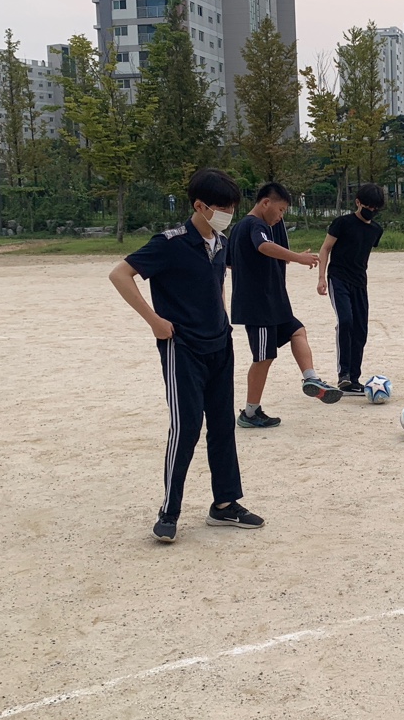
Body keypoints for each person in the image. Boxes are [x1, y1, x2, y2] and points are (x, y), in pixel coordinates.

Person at [108, 168, 264, 542]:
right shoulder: (170, 243)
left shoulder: (220, 244)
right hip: (184, 348)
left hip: (219, 345)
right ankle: (169, 510)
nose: (228, 214)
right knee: (187, 426)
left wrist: (223, 321)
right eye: (222, 208)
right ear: (199, 206)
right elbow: (120, 274)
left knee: (223, 425)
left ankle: (224, 505)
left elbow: (216, 288)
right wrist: (154, 321)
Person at [229, 181, 341, 429]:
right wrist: (298, 258)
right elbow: (263, 246)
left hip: (274, 302)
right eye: (280, 210)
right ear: (266, 203)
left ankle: (311, 379)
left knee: (297, 330)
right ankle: (250, 412)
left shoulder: (239, 228)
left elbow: (232, 262)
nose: (281, 216)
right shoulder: (253, 224)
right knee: (263, 357)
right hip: (258, 306)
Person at [317, 183, 386, 395]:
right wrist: (321, 278)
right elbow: (326, 248)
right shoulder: (342, 223)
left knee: (360, 330)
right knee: (345, 321)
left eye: (376, 209)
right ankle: (343, 375)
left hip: (359, 283)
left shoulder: (376, 230)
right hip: (338, 279)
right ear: (357, 202)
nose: (372, 212)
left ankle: (354, 379)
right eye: (369, 206)